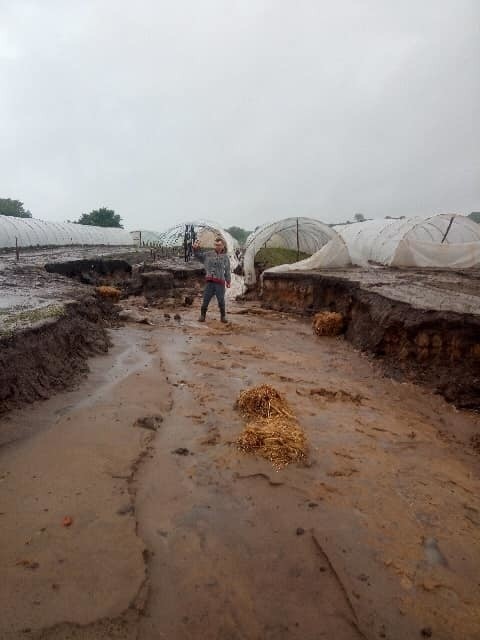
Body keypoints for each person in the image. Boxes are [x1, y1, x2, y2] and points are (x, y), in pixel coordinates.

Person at [193, 236, 231, 323]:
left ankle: (223, 316)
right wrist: (195, 249)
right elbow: (198, 256)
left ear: (223, 246)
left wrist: (228, 281)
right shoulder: (208, 254)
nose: (217, 246)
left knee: (221, 300)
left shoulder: (225, 258)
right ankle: (202, 315)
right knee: (206, 299)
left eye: (219, 245)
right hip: (209, 282)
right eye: (216, 245)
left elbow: (227, 270)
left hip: (220, 282)